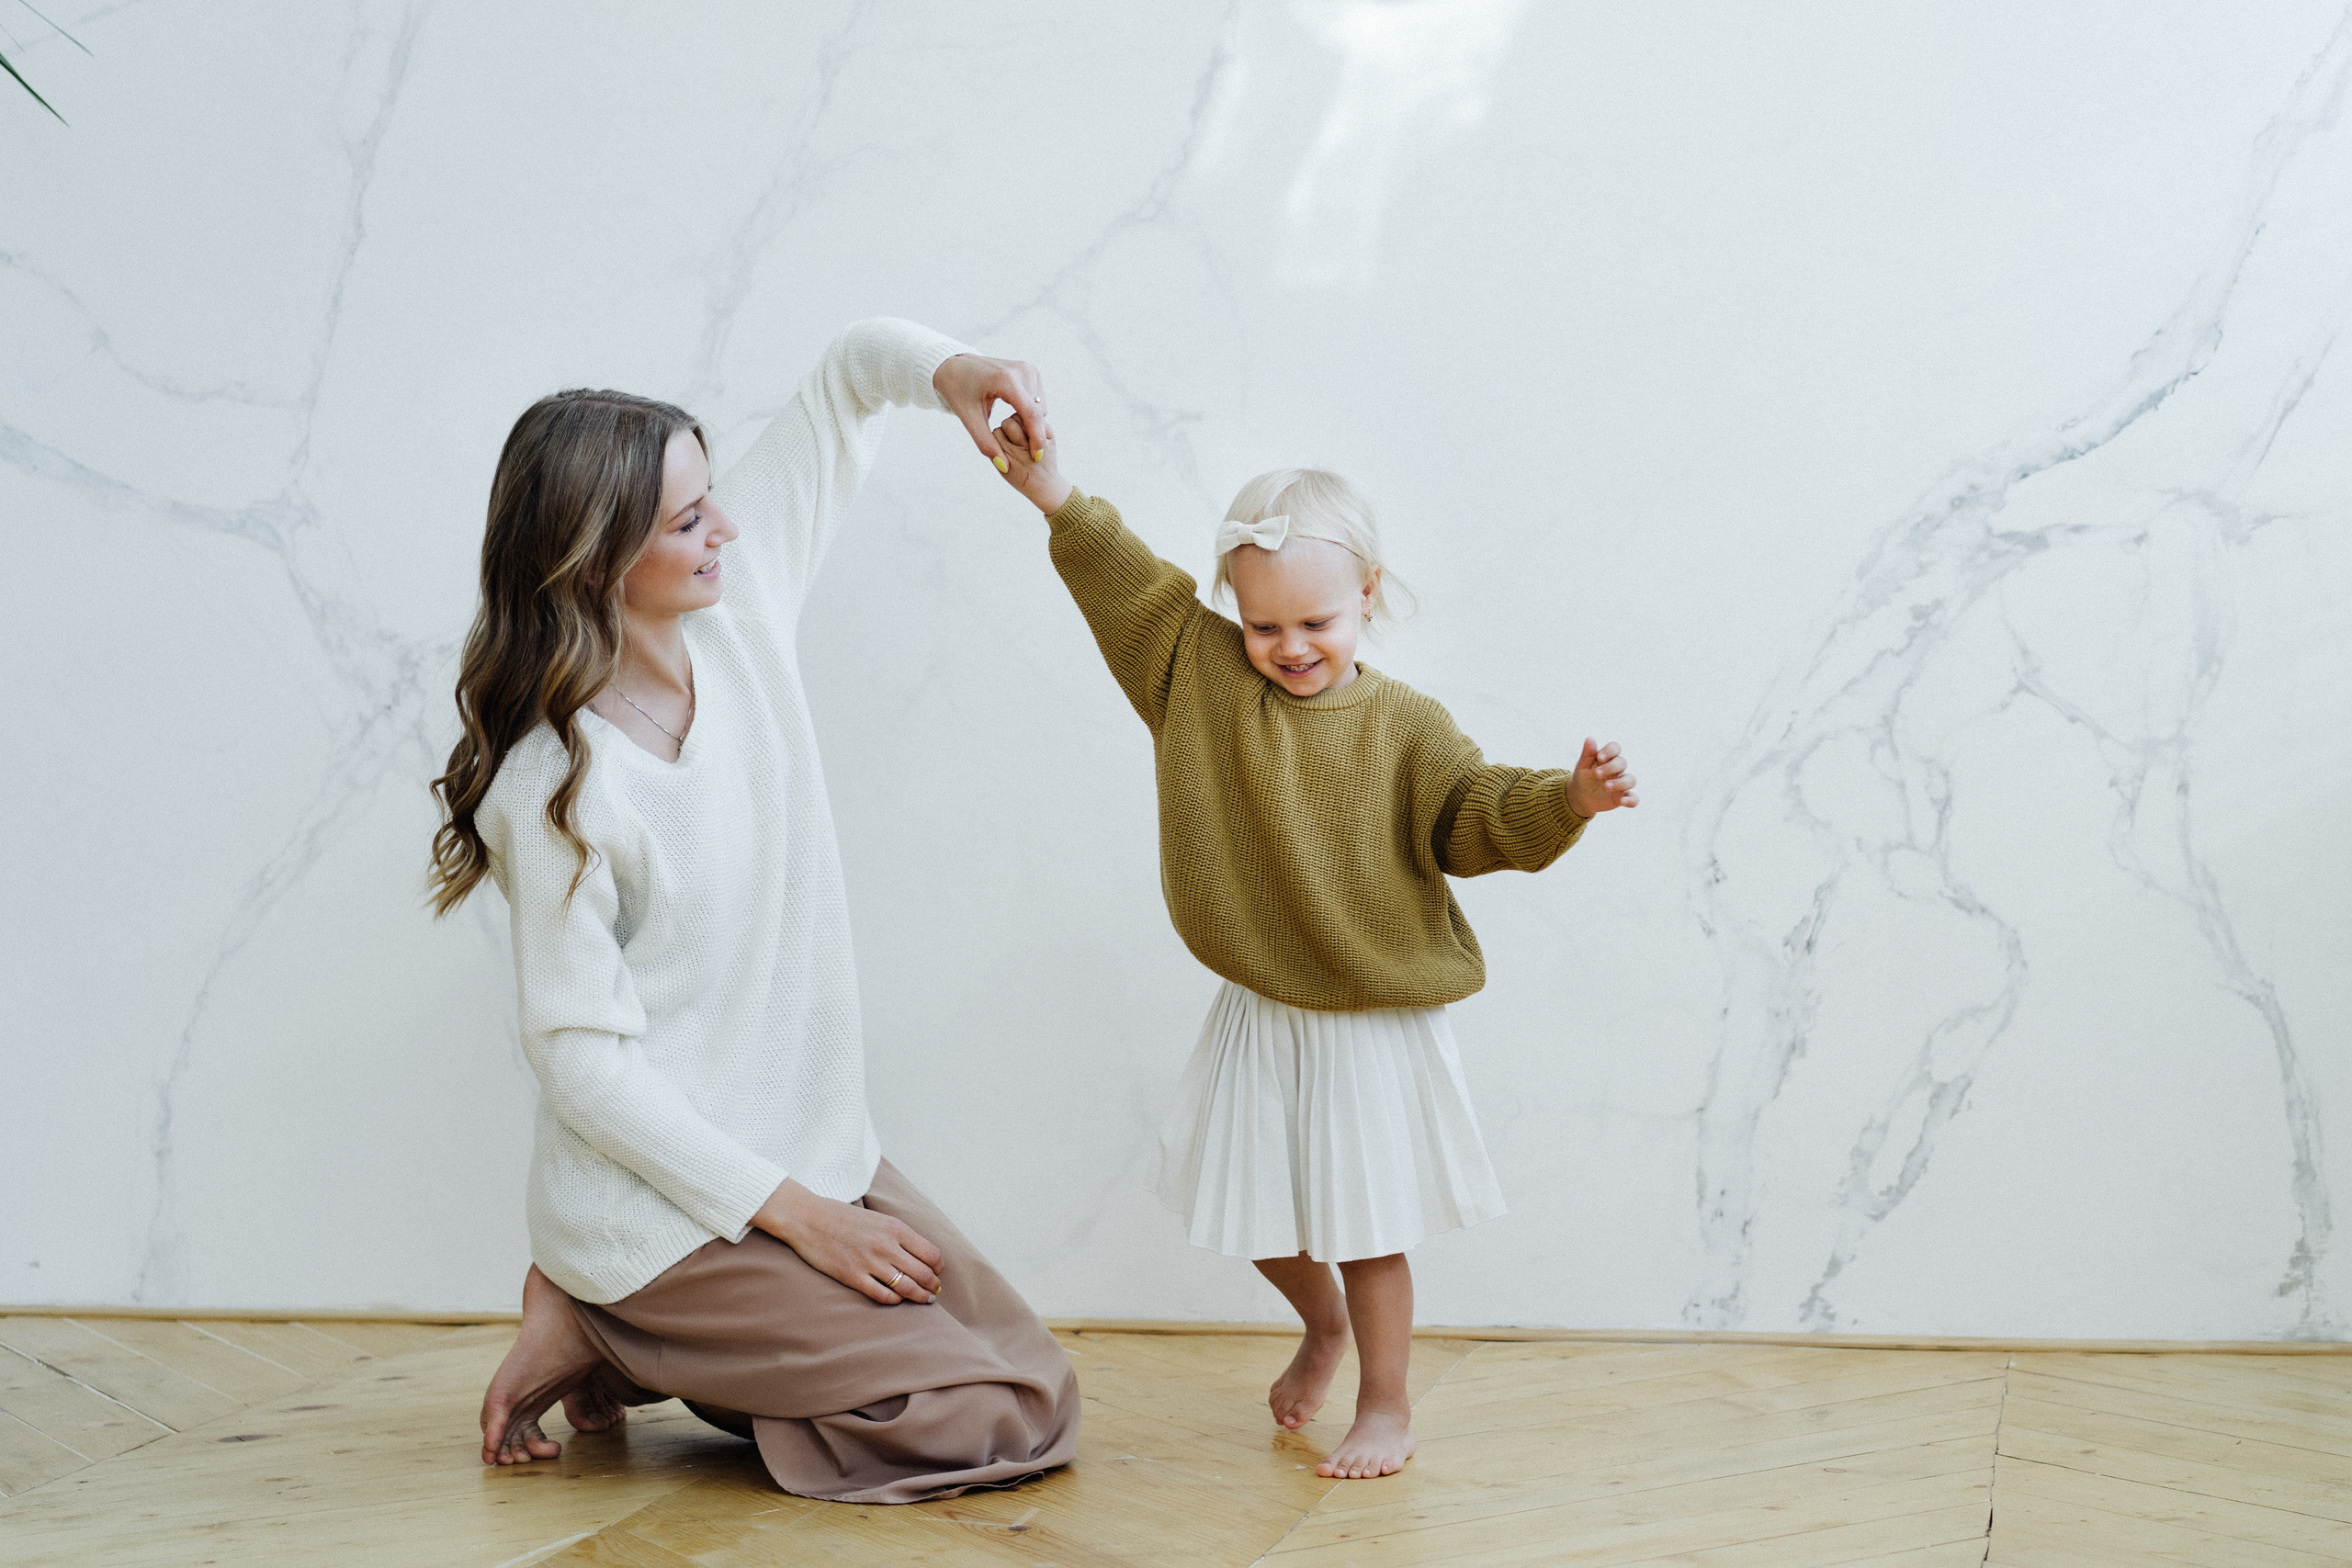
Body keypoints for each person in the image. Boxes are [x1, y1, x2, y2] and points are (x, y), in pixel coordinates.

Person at [427, 319, 1080, 1504]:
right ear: (592, 561)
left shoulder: (741, 610)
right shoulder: (556, 786)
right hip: (657, 1207)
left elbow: (845, 379)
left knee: (1032, 1386)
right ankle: (606, 1316)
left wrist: (955, 375)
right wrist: (803, 1227)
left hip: (808, 1144)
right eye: (686, 520)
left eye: (712, 496)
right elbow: (580, 1068)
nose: (724, 527)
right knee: (980, 1423)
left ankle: (641, 1349)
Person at [985, 412, 1636, 1480]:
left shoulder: (1407, 726)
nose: (1290, 647)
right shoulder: (1194, 678)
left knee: (1369, 1228)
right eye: (1263, 627)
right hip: (1263, 1000)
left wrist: (1566, 798)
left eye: (1316, 622)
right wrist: (1057, 495)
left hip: (1370, 1014)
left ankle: (1386, 1403)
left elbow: (1474, 817)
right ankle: (1320, 1326)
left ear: (1368, 593)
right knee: (1243, 1203)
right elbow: (1125, 585)